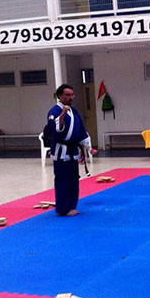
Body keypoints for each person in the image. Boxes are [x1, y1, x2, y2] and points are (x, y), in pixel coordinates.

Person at [47, 84, 89, 216]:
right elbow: (54, 130)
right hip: (61, 151)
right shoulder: (54, 111)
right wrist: (63, 113)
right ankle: (63, 208)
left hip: (73, 149)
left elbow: (81, 130)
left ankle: (71, 206)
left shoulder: (74, 110)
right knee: (62, 179)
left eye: (72, 95)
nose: (71, 97)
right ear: (59, 96)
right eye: (67, 95)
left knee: (73, 179)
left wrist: (84, 151)